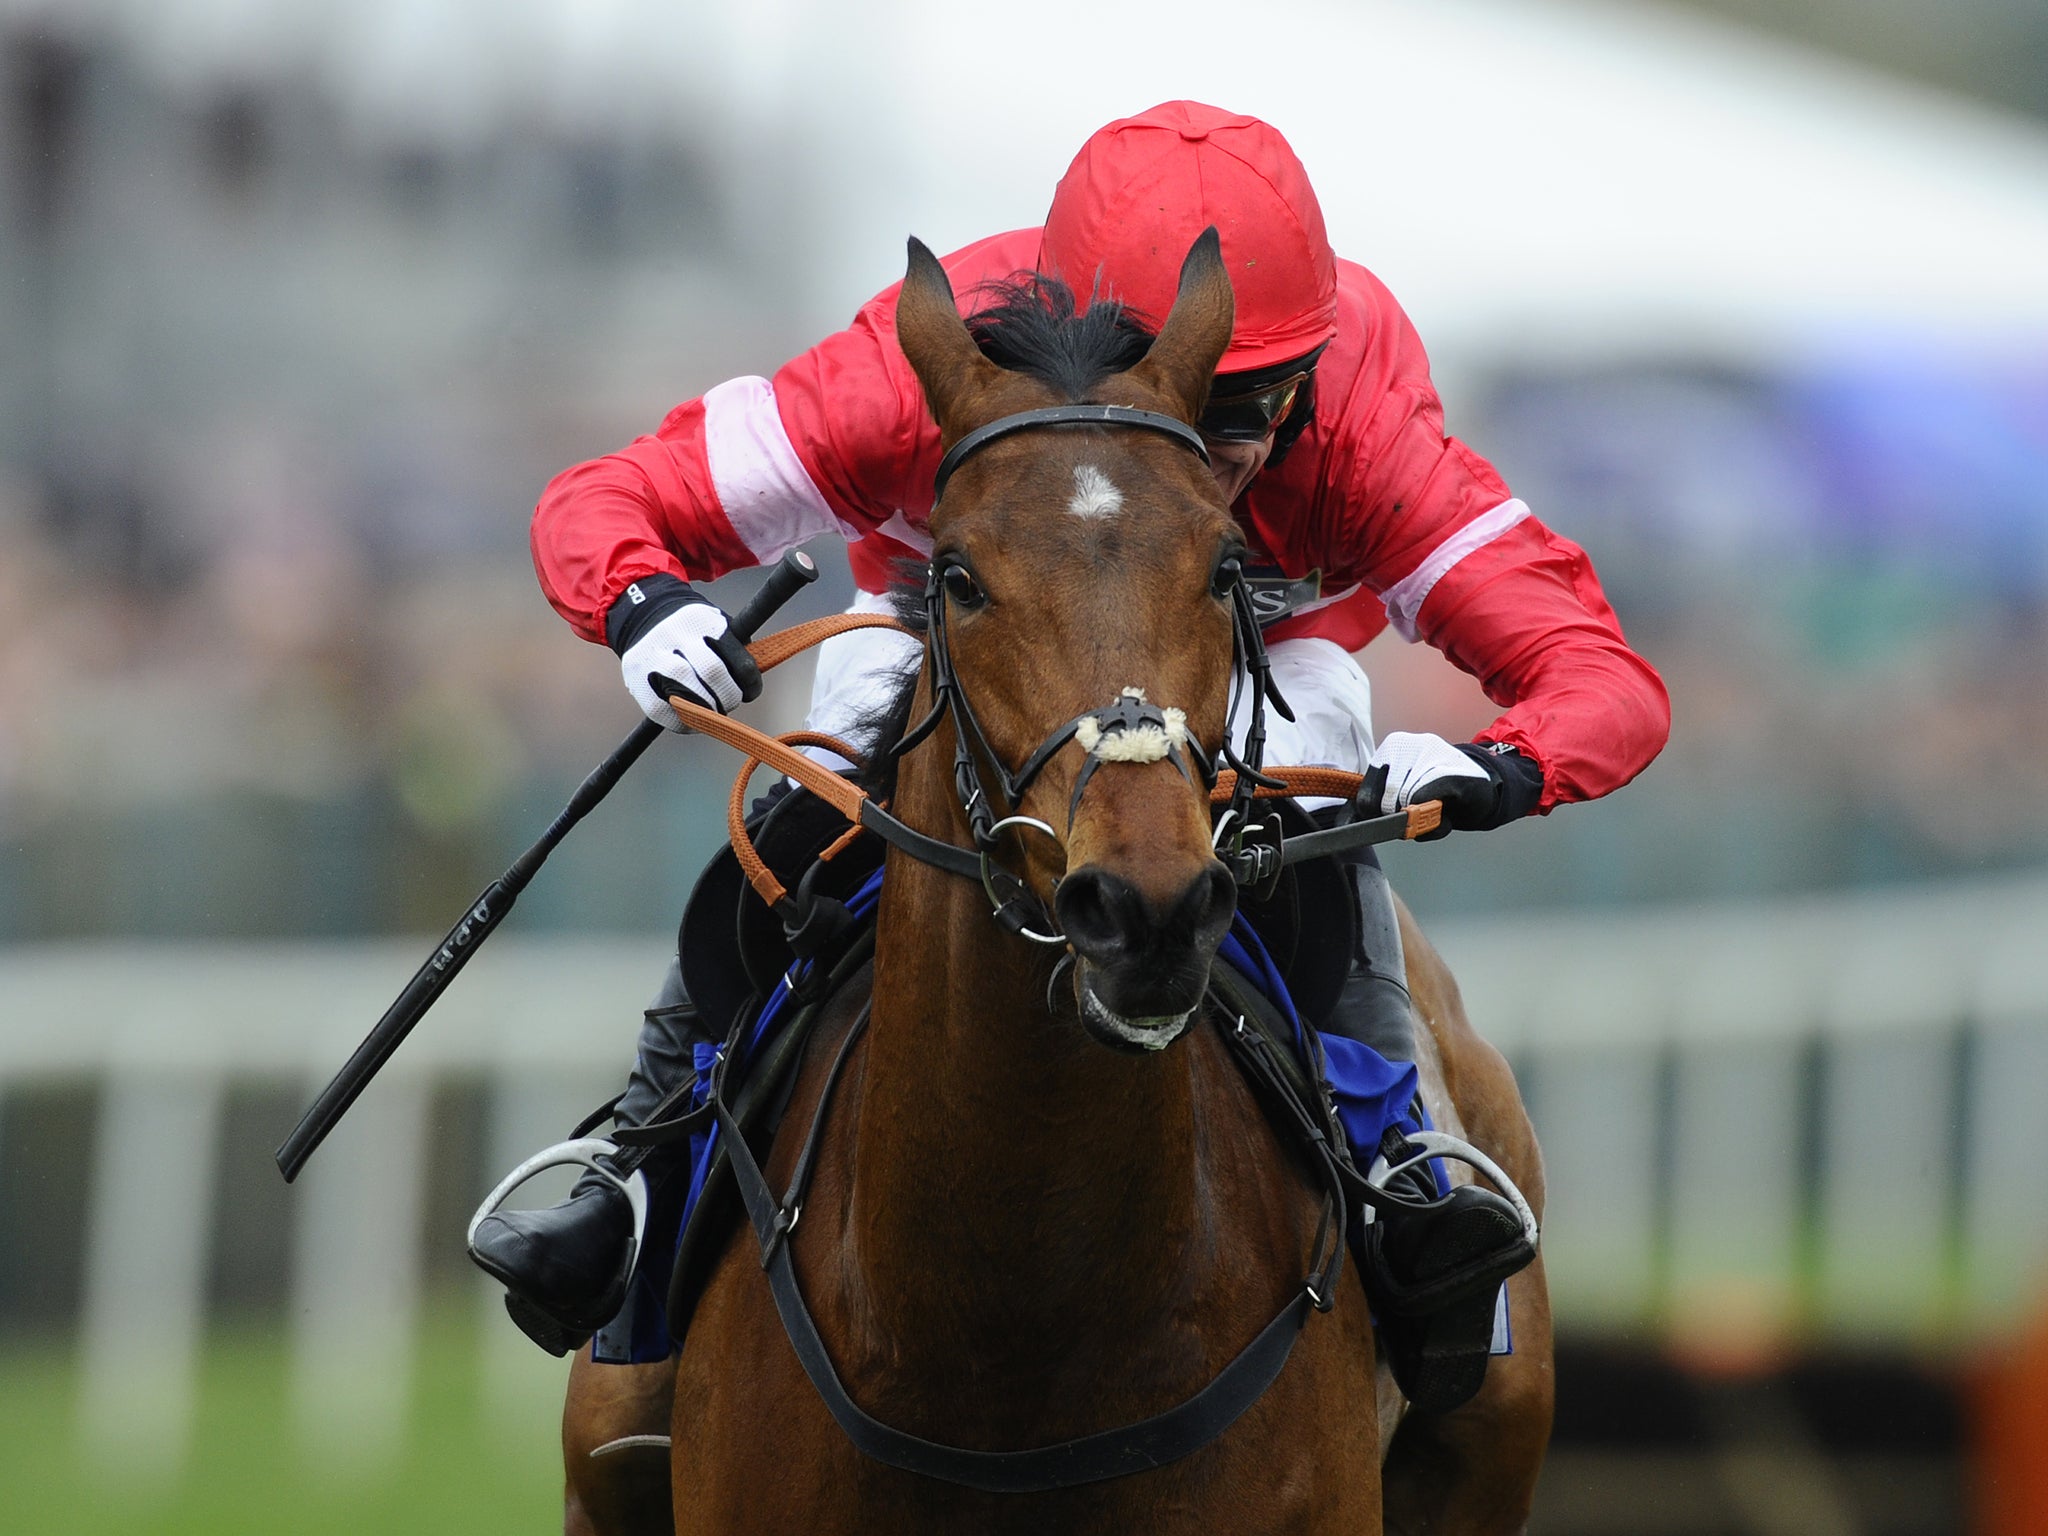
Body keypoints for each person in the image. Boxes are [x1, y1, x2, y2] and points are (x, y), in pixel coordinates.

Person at [471, 100, 1670, 1415]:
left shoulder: (1363, 424)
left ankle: (1401, 1165)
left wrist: (1501, 761)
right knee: (807, 809)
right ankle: (645, 1157)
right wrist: (639, 601)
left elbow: (1602, 677)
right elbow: (606, 499)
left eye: (1257, 407)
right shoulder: (908, 362)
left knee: (1260, 824)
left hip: (1260, 641)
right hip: (971, 607)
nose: (1229, 453)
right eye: (1196, 402)